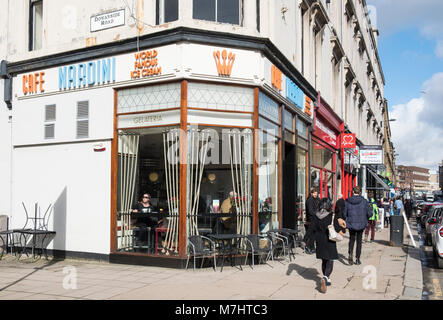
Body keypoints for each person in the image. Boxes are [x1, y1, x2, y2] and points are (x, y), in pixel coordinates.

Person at [310, 197, 341, 293]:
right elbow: (337, 227)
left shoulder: (316, 215)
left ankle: (327, 278)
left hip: (319, 240)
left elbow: (312, 228)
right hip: (329, 240)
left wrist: (309, 241)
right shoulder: (331, 215)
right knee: (330, 259)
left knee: (324, 259)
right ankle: (326, 277)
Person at [343, 186, 372, 265]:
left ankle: (350, 253)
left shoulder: (348, 201)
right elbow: (369, 213)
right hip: (361, 223)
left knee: (352, 239)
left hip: (351, 223)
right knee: (359, 241)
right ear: (359, 192)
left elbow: (344, 213)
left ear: (353, 192)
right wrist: (366, 218)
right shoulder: (364, 201)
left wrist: (347, 219)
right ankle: (357, 258)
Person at [304, 187, 320, 254]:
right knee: (311, 234)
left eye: (316, 193)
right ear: (311, 193)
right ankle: (308, 246)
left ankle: (312, 247)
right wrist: (317, 214)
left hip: (315, 219)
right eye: (314, 193)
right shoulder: (310, 200)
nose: (315, 194)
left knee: (314, 234)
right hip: (311, 219)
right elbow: (310, 211)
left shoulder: (317, 199)